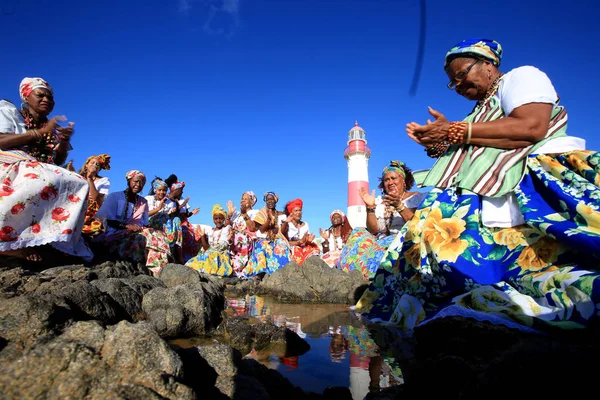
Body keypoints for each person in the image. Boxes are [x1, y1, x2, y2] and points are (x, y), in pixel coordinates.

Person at [356, 38, 600, 331]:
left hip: (522, 185)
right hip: (491, 192)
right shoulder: (479, 111)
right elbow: (473, 148)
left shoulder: (521, 77)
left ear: (488, 64)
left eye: (461, 75)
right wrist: (441, 138)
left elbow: (532, 126)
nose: (458, 86)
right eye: (452, 82)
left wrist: (456, 130)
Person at [0, 77, 92, 262]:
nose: (46, 100)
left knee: (77, 182)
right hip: (7, 162)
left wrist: (64, 141)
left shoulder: (53, 128)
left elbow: (57, 160)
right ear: (26, 97)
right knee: (38, 178)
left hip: (34, 165)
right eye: (40, 95)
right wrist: (39, 133)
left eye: (50, 98)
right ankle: (7, 244)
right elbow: (1, 140)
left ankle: (43, 239)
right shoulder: (8, 111)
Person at [337, 161, 426, 279]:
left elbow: (417, 224)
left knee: (378, 252)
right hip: (382, 240)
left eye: (393, 178)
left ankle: (370, 273)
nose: (390, 182)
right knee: (359, 232)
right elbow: (373, 229)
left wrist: (399, 206)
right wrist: (370, 208)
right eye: (386, 180)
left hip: (403, 240)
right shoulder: (380, 201)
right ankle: (347, 271)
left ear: (404, 181)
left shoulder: (415, 198)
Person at [94, 170, 171, 275]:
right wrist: (127, 226)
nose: (138, 185)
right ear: (129, 180)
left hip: (134, 233)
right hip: (116, 236)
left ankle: (159, 271)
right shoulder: (114, 197)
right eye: (136, 181)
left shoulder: (143, 202)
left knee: (156, 235)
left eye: (142, 183)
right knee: (141, 238)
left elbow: (143, 222)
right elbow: (108, 220)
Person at [245, 191, 291, 278]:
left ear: (275, 200)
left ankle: (281, 272)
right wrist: (269, 220)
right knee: (261, 245)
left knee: (281, 245)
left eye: (271, 199)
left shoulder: (282, 215)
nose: (269, 201)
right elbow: (261, 230)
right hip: (265, 238)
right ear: (265, 202)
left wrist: (286, 223)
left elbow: (283, 232)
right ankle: (260, 272)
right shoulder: (262, 213)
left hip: (277, 237)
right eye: (267, 200)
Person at [185, 204, 233, 276]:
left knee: (211, 256)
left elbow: (227, 243)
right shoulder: (210, 231)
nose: (218, 221)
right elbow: (206, 248)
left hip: (220, 256)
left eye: (221, 218)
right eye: (216, 219)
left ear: (224, 219)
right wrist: (202, 236)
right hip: (209, 254)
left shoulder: (226, 229)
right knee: (193, 263)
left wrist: (229, 240)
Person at [145, 178, 184, 264]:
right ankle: (170, 244)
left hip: (166, 224)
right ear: (155, 190)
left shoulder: (169, 202)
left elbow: (170, 217)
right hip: (150, 223)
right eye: (159, 190)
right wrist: (158, 208)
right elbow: (145, 214)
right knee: (162, 215)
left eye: (164, 190)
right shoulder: (148, 199)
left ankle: (177, 248)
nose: (162, 192)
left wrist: (172, 212)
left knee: (177, 219)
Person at [226, 191, 259, 277]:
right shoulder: (236, 213)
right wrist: (229, 215)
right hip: (233, 237)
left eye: (246, 199)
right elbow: (226, 227)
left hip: (246, 238)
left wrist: (244, 215)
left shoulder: (255, 212)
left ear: (251, 202)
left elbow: (252, 228)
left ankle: (238, 269)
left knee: (240, 237)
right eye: (242, 199)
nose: (242, 201)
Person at [167, 179, 200, 262]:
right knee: (185, 233)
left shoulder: (180, 199)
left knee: (197, 235)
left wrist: (192, 212)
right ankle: (179, 257)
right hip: (174, 223)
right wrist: (181, 205)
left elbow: (186, 214)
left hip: (184, 222)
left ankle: (190, 259)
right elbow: (172, 213)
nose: (182, 192)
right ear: (176, 190)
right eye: (181, 190)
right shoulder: (167, 200)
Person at [79, 154, 111, 236]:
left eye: (97, 165)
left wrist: (90, 179)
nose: (94, 165)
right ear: (86, 165)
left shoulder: (104, 181)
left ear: (99, 169)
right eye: (92, 163)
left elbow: (95, 197)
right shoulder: (79, 178)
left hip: (92, 212)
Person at [281, 198, 320, 265]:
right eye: (296, 211)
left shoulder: (305, 225)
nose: (298, 212)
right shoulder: (286, 224)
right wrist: (299, 242)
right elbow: (284, 241)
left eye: (300, 210)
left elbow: (305, 241)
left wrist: (308, 241)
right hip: (290, 248)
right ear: (291, 213)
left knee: (313, 250)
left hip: (302, 248)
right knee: (296, 250)